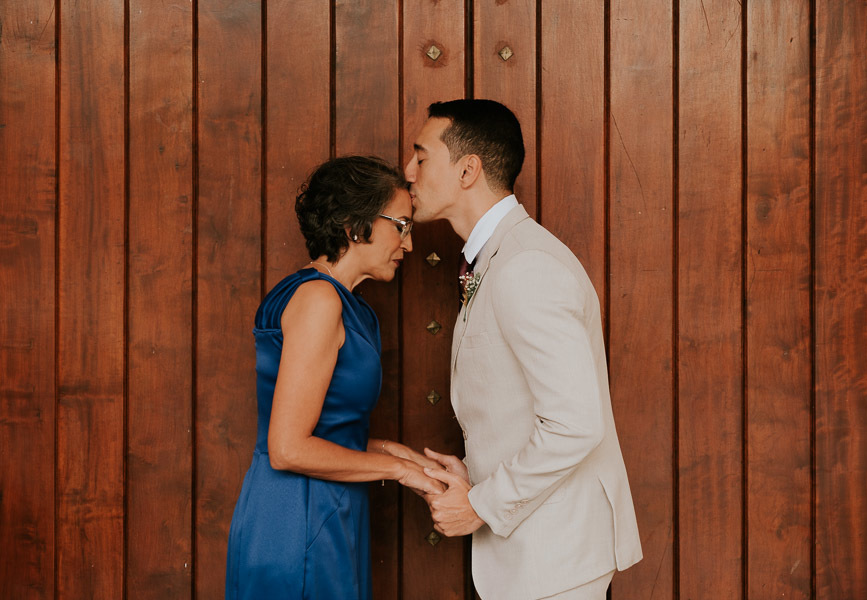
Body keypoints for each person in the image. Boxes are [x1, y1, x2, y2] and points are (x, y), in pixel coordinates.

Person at [405, 100, 643, 599]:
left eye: (421, 157)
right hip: (537, 555)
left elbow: (576, 422)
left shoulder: (525, 265)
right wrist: (477, 472)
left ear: (467, 170)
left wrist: (482, 503)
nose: (408, 172)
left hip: (555, 558)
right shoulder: (501, 256)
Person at [225, 155, 443, 600]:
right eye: (401, 225)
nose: (409, 244)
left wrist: (407, 458)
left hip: (328, 509)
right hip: (296, 516)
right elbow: (287, 449)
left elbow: (331, 431)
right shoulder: (319, 299)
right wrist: (401, 471)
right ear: (353, 224)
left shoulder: (349, 304)